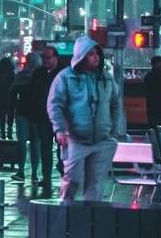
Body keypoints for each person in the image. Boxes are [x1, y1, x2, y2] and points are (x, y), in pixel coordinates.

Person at [47, 36, 125, 203]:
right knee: (72, 180)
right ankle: (65, 213)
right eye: (90, 54)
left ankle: (90, 221)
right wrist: (59, 130)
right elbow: (55, 105)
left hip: (102, 140)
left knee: (95, 184)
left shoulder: (106, 78)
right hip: (75, 139)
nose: (95, 56)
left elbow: (115, 104)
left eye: (97, 53)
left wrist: (114, 131)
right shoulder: (65, 77)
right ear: (81, 57)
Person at [20, 45, 62, 196]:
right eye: (43, 57)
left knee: (62, 149)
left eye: (48, 57)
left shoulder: (62, 74)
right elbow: (31, 92)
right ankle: (47, 176)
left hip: (59, 118)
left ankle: (62, 172)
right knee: (45, 147)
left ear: (55, 58)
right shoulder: (38, 73)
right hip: (42, 117)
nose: (45, 60)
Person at [11, 52, 42, 180]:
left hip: (22, 112)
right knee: (36, 143)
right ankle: (34, 173)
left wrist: (17, 105)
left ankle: (21, 171)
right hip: (37, 113)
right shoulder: (41, 76)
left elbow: (12, 93)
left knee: (22, 143)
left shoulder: (20, 76)